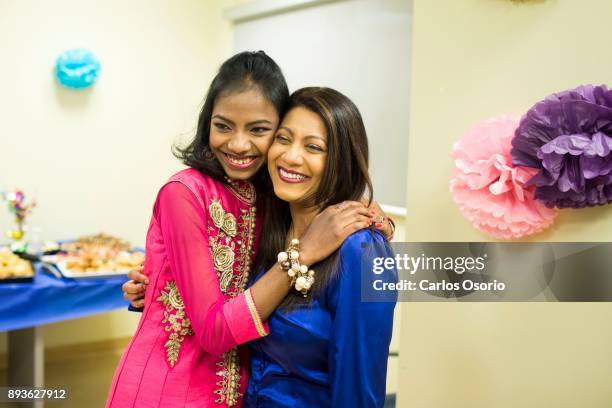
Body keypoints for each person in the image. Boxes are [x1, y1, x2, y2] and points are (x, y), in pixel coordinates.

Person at [108, 52, 393, 408]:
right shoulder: (200, 195)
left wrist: (372, 219)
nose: (240, 144)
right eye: (223, 125)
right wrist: (160, 290)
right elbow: (213, 316)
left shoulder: (286, 208)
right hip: (170, 390)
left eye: (259, 130)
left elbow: (359, 384)